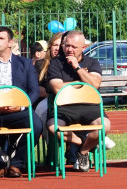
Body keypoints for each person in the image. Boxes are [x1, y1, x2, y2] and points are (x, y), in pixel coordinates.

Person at [45, 30, 106, 172]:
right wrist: (82, 83)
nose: (69, 49)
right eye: (67, 45)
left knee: (105, 127)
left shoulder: (92, 62)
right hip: (65, 108)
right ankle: (84, 143)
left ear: (83, 48)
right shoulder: (55, 63)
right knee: (53, 127)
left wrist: (77, 67)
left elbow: (95, 85)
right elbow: (57, 88)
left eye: (73, 47)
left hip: (89, 106)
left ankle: (83, 151)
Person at [0, 26, 42, 178]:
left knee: (36, 125)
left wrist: (21, 106)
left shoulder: (25, 63)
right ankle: (0, 162)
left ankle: (16, 163)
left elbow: (34, 91)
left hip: (18, 110)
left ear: (10, 42)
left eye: (1, 38)